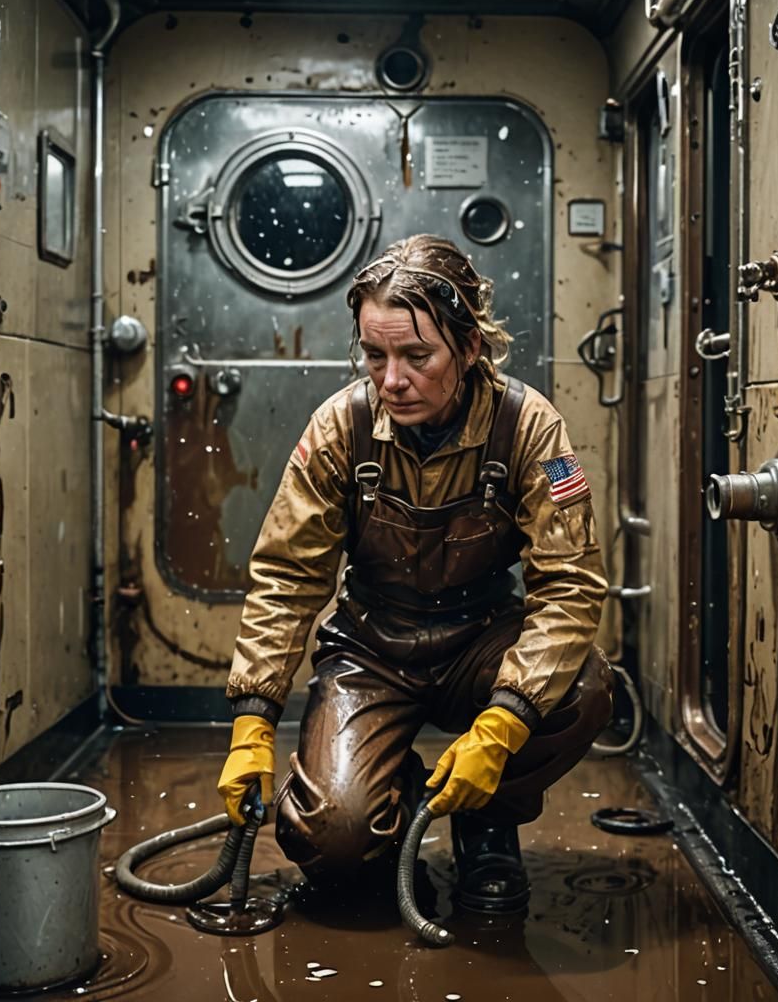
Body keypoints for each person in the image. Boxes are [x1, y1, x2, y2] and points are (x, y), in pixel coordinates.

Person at [217, 234, 613, 912]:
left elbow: (570, 585)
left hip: (481, 645)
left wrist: (505, 723)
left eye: (416, 356)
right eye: (375, 355)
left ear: (469, 348)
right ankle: (382, 794)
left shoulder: (530, 429)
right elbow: (288, 574)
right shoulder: (341, 426)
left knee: (584, 686)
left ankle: (487, 822)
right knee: (334, 847)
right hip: (370, 651)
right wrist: (253, 715)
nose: (391, 379)